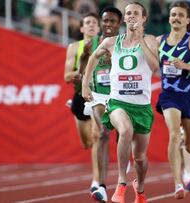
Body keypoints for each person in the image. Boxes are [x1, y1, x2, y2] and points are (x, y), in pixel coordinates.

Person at [82, 2, 159, 203]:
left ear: (144, 19)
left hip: (141, 107)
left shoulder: (150, 40)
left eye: (136, 13)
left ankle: (140, 188)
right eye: (128, 13)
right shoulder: (111, 42)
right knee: (124, 131)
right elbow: (93, 58)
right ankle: (121, 184)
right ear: (124, 19)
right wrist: (85, 84)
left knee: (140, 158)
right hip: (118, 102)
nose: (132, 16)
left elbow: (155, 67)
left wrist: (140, 39)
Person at [155, 1, 190, 199]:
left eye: (180, 15)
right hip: (169, 95)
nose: (176, 17)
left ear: (187, 20)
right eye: (173, 14)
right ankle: (177, 183)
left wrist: (184, 65)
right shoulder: (159, 41)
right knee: (174, 135)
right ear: (169, 18)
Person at [78, 6, 123, 202]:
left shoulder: (125, 43)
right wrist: (83, 80)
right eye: (105, 21)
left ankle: (124, 153)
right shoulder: (91, 44)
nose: (107, 24)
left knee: (123, 132)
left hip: (120, 94)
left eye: (112, 21)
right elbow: (82, 64)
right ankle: (101, 185)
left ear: (119, 24)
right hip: (98, 94)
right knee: (103, 133)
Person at [63, 13, 101, 194]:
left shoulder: (105, 45)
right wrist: (79, 75)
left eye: (95, 22)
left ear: (99, 28)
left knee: (96, 138)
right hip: (80, 95)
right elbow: (66, 76)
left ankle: (96, 181)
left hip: (98, 96)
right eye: (88, 23)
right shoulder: (74, 47)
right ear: (82, 28)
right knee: (86, 143)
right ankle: (73, 105)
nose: (92, 25)